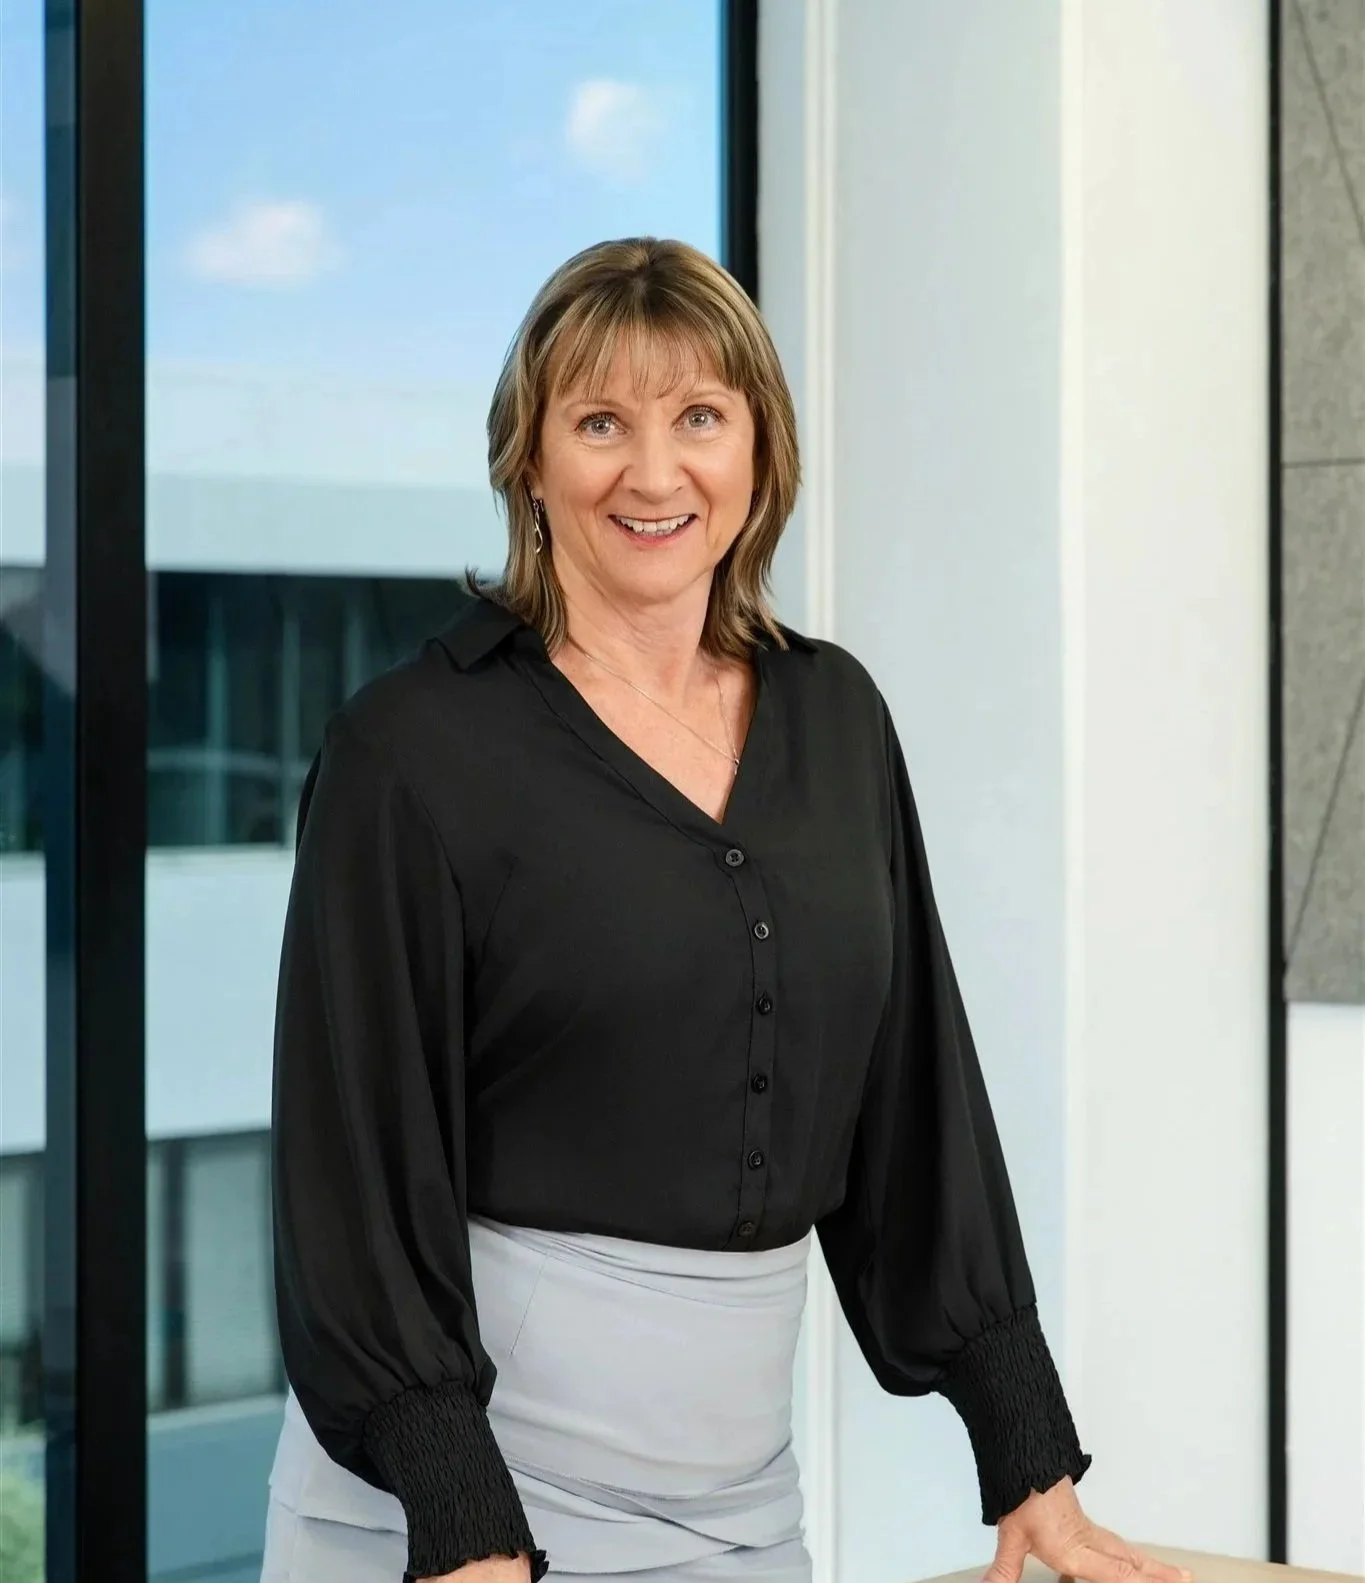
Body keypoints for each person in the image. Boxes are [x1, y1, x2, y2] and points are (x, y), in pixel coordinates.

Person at [261, 237, 1193, 1583]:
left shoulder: (837, 718)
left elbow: (909, 1091)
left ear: (758, 446)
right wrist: (458, 1513)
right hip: (448, 1523)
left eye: (699, 415)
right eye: (599, 422)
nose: (654, 471)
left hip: (740, 1508)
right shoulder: (408, 754)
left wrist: (1025, 1449)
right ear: (530, 459)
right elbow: (352, 1162)